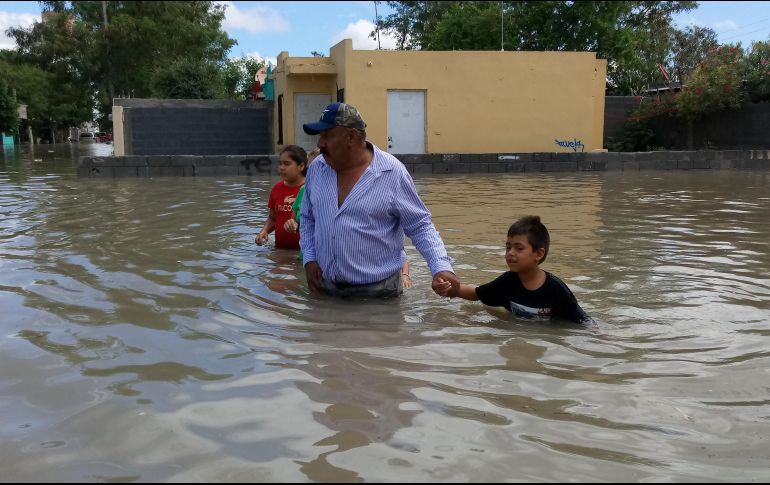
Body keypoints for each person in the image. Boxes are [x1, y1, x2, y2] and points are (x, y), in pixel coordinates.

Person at [299, 102, 457, 298]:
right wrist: (310, 258)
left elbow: (420, 225)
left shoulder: (392, 173)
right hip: (326, 288)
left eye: (327, 136)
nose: (320, 144)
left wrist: (440, 267)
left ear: (352, 137)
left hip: (379, 295)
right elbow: (307, 218)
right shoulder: (317, 169)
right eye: (320, 136)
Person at [285, 147, 413, 289]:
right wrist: (309, 259)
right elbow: (305, 221)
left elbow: (399, 248)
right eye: (312, 169)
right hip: (321, 273)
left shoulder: (388, 174)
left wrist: (405, 275)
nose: (316, 173)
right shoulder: (308, 189)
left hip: (377, 286)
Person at [433, 215, 594, 326]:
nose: (510, 253)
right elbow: (476, 293)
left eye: (518, 248)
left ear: (538, 254)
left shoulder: (555, 289)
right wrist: (451, 288)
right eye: (508, 247)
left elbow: (583, 321)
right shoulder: (508, 282)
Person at [255, 145, 307, 250]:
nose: (281, 168)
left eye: (287, 164)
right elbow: (273, 218)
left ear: (301, 166)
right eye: (280, 164)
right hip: (280, 250)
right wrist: (264, 231)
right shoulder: (277, 188)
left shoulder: (310, 189)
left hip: (303, 252)